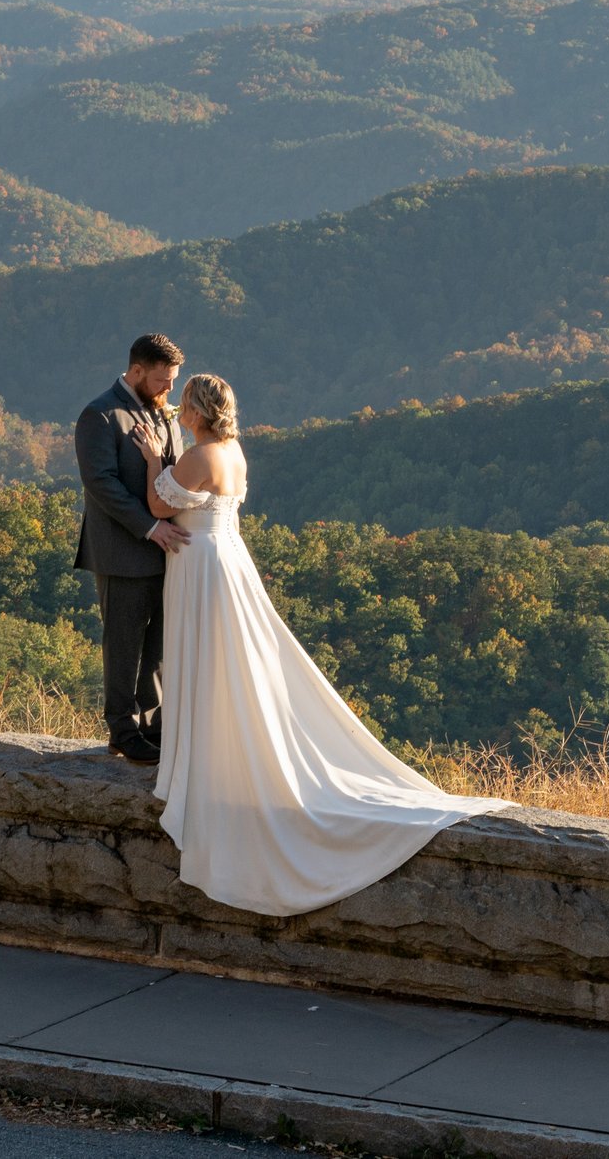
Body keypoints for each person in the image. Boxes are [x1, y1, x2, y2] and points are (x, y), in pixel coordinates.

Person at [130, 372, 513, 917]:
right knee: (234, 661)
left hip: (203, 567)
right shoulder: (234, 452)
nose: (180, 412)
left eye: (184, 404)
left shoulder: (199, 457)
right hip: (227, 561)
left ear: (197, 409)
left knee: (208, 661)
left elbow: (161, 506)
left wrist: (151, 461)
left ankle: (211, 765)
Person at [74, 333, 187, 764]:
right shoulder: (99, 416)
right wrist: (149, 527)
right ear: (137, 371)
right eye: (162, 379)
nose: (168, 389)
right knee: (123, 645)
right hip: (123, 552)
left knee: (157, 645)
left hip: (166, 550)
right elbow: (101, 484)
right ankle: (122, 730)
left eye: (173, 380)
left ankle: (153, 726)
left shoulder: (164, 414)